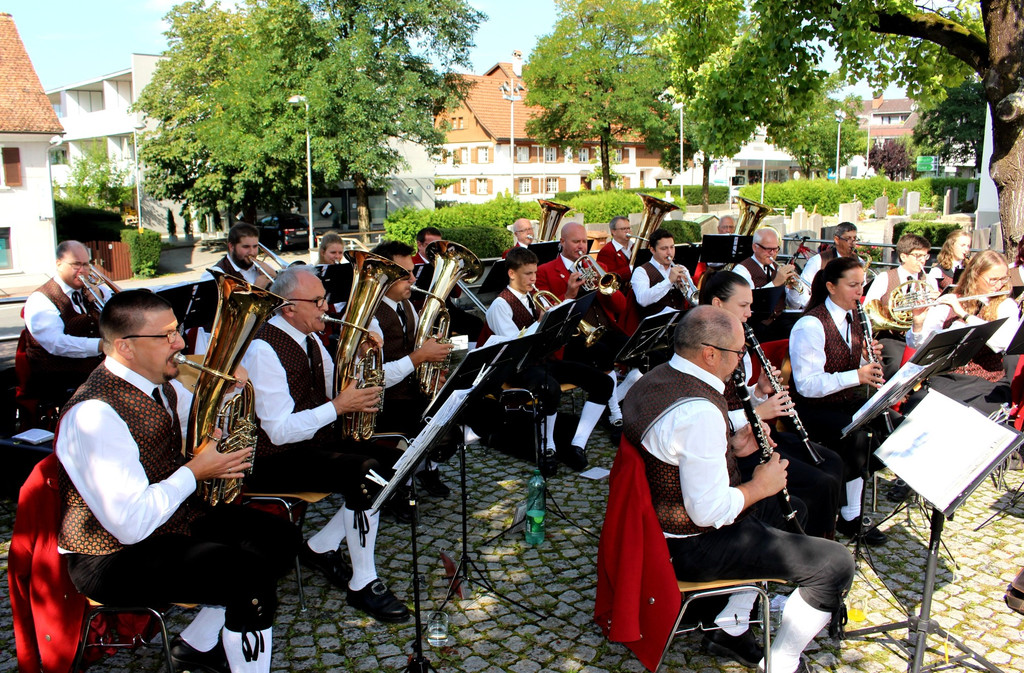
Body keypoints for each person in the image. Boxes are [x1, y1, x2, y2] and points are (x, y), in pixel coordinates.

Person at [55, 289, 299, 673]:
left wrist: (227, 395)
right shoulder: (93, 415)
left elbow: (199, 431)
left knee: (280, 538)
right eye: (165, 335)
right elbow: (130, 525)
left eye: (177, 330)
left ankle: (197, 645)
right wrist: (196, 472)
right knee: (247, 578)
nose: (180, 343)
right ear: (125, 347)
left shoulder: (160, 383)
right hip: (110, 556)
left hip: (169, 520)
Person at [621, 306, 854, 673]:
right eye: (738, 352)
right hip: (690, 544)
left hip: (657, 525)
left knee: (796, 509)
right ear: (710, 353)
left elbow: (677, 445)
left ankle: (731, 624)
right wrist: (761, 485)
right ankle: (781, 663)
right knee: (835, 564)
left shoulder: (657, 379)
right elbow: (709, 511)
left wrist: (734, 440)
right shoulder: (699, 412)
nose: (743, 359)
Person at [241, 267, 410, 623]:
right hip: (273, 458)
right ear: (288, 307)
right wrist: (338, 407)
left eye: (324, 298)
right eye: (316, 301)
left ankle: (319, 545)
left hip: (312, 443)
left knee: (397, 462)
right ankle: (363, 582)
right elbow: (278, 431)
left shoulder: (311, 338)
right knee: (365, 473)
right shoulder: (263, 350)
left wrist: (363, 360)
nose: (326, 306)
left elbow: (336, 387)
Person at [700, 270, 843, 540]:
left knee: (832, 461)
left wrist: (760, 391)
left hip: (754, 434)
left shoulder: (737, 341)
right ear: (718, 304)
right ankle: (813, 549)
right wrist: (758, 413)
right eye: (743, 306)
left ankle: (827, 533)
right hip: (731, 451)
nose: (749, 313)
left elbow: (739, 399)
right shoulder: (705, 351)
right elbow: (709, 418)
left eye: (750, 306)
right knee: (820, 482)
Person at [483, 246, 614, 474]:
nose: (533, 279)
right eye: (527, 274)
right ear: (511, 274)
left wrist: (566, 304)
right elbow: (515, 345)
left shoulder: (533, 298)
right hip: (516, 369)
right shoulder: (500, 305)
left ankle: (577, 444)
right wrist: (542, 323)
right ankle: (548, 448)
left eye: (535, 273)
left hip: (541, 362)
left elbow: (550, 336)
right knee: (549, 388)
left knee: (604, 382)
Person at [789, 257, 890, 546]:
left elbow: (851, 362)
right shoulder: (810, 325)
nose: (860, 292)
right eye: (853, 285)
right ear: (831, 287)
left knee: (891, 425)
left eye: (862, 284)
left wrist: (869, 360)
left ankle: (849, 498)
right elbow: (807, 385)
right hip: (813, 408)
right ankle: (850, 515)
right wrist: (857, 376)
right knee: (860, 435)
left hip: (843, 400)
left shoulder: (856, 317)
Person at [369, 240, 456, 497]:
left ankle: (427, 467)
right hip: (385, 401)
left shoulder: (406, 305)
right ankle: (400, 488)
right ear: (385, 277)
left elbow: (418, 346)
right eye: (405, 274)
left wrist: (434, 365)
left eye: (412, 271)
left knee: (455, 415)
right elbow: (376, 376)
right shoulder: (371, 316)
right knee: (429, 423)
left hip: (409, 392)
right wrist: (420, 357)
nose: (413, 278)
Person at [536, 222, 631, 430]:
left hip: (604, 330)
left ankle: (614, 403)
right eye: (576, 241)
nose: (582, 247)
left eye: (584, 242)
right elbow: (545, 314)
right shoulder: (545, 271)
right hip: (573, 338)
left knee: (637, 349)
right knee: (603, 353)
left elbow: (621, 307)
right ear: (562, 242)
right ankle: (614, 413)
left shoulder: (598, 267)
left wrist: (604, 287)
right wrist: (569, 295)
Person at [907, 250, 1020, 415]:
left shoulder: (1006, 305)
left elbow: (1003, 342)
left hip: (986, 384)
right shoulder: (952, 300)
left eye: (1003, 278)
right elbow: (920, 346)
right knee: (917, 406)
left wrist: (965, 315)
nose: (999, 285)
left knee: (968, 414)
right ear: (975, 276)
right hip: (946, 380)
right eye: (993, 280)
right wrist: (918, 323)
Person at [21, 240, 107, 404]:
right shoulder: (41, 299)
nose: (83, 271)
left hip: (96, 373)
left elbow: (121, 317)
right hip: (60, 380)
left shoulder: (93, 290)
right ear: (59, 264)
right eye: (76, 265)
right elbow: (56, 343)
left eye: (86, 265)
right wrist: (101, 345)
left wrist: (102, 296)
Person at [863, 233, 937, 378]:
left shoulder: (929, 280)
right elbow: (868, 309)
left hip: (920, 334)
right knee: (897, 364)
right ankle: (894, 398)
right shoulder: (885, 277)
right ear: (903, 257)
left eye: (925, 256)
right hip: (891, 335)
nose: (923, 261)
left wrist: (934, 303)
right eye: (918, 256)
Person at [734, 227, 801, 341]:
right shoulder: (742, 269)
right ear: (755, 247)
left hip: (779, 321)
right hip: (756, 324)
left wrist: (794, 288)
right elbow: (750, 303)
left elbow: (795, 305)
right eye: (768, 249)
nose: (772, 253)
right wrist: (775, 283)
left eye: (776, 249)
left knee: (800, 332)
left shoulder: (777, 268)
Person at [788, 222, 861, 310]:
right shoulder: (818, 261)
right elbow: (803, 291)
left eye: (854, 238)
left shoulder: (859, 261)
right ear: (837, 240)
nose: (853, 243)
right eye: (848, 239)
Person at [630, 228, 691, 318]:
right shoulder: (641, 271)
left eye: (672, 247)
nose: (669, 253)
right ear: (652, 250)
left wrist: (687, 287)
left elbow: (694, 299)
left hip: (680, 323)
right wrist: (669, 281)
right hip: (655, 327)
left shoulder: (681, 268)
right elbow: (642, 300)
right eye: (664, 249)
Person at [208, 223, 275, 289]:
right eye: (246, 247)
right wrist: (256, 290)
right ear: (231, 246)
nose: (252, 252)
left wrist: (276, 276)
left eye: (255, 246)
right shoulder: (214, 275)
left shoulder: (265, 268)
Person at [596, 216, 634, 283]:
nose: (628, 231)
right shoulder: (606, 251)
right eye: (623, 229)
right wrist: (631, 268)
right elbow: (608, 277)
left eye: (628, 228)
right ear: (613, 232)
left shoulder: (634, 246)